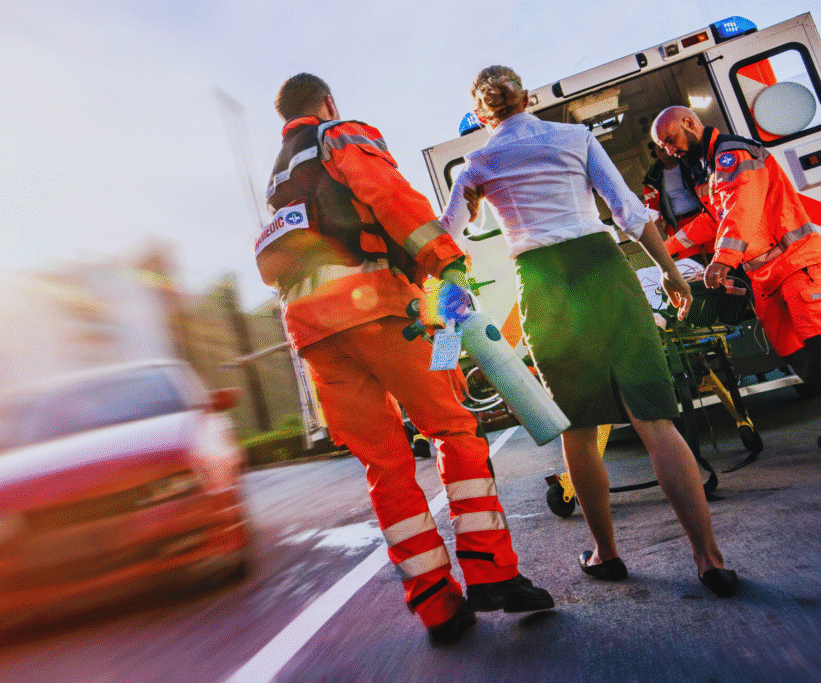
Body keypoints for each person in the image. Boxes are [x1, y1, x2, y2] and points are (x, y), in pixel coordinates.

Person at [256, 73, 554, 647]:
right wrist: (447, 263)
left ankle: (435, 605)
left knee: (384, 466)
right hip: (374, 310)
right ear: (327, 101)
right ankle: (492, 574)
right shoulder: (340, 134)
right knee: (453, 429)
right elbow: (391, 198)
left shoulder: (279, 176)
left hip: (312, 335)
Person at [441, 66, 738, 597]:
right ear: (528, 96)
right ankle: (709, 559)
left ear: (481, 113)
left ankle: (607, 554)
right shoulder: (574, 138)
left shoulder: (478, 162)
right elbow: (627, 210)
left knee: (577, 428)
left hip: (543, 284)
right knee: (655, 419)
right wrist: (672, 274)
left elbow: (446, 237)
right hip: (603, 270)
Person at [652, 106, 821, 447]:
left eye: (670, 140)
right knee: (798, 354)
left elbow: (740, 207)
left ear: (689, 123)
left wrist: (723, 260)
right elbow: (714, 219)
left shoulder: (731, 154)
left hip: (795, 265)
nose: (669, 151)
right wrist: (664, 248)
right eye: (664, 146)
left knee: (818, 346)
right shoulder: (710, 168)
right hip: (767, 279)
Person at [642, 141, 717, 264]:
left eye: (665, 148)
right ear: (655, 153)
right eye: (660, 150)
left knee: (716, 256)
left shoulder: (692, 164)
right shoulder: (652, 178)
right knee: (691, 264)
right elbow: (651, 207)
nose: (664, 152)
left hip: (704, 217)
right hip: (679, 224)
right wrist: (655, 225)